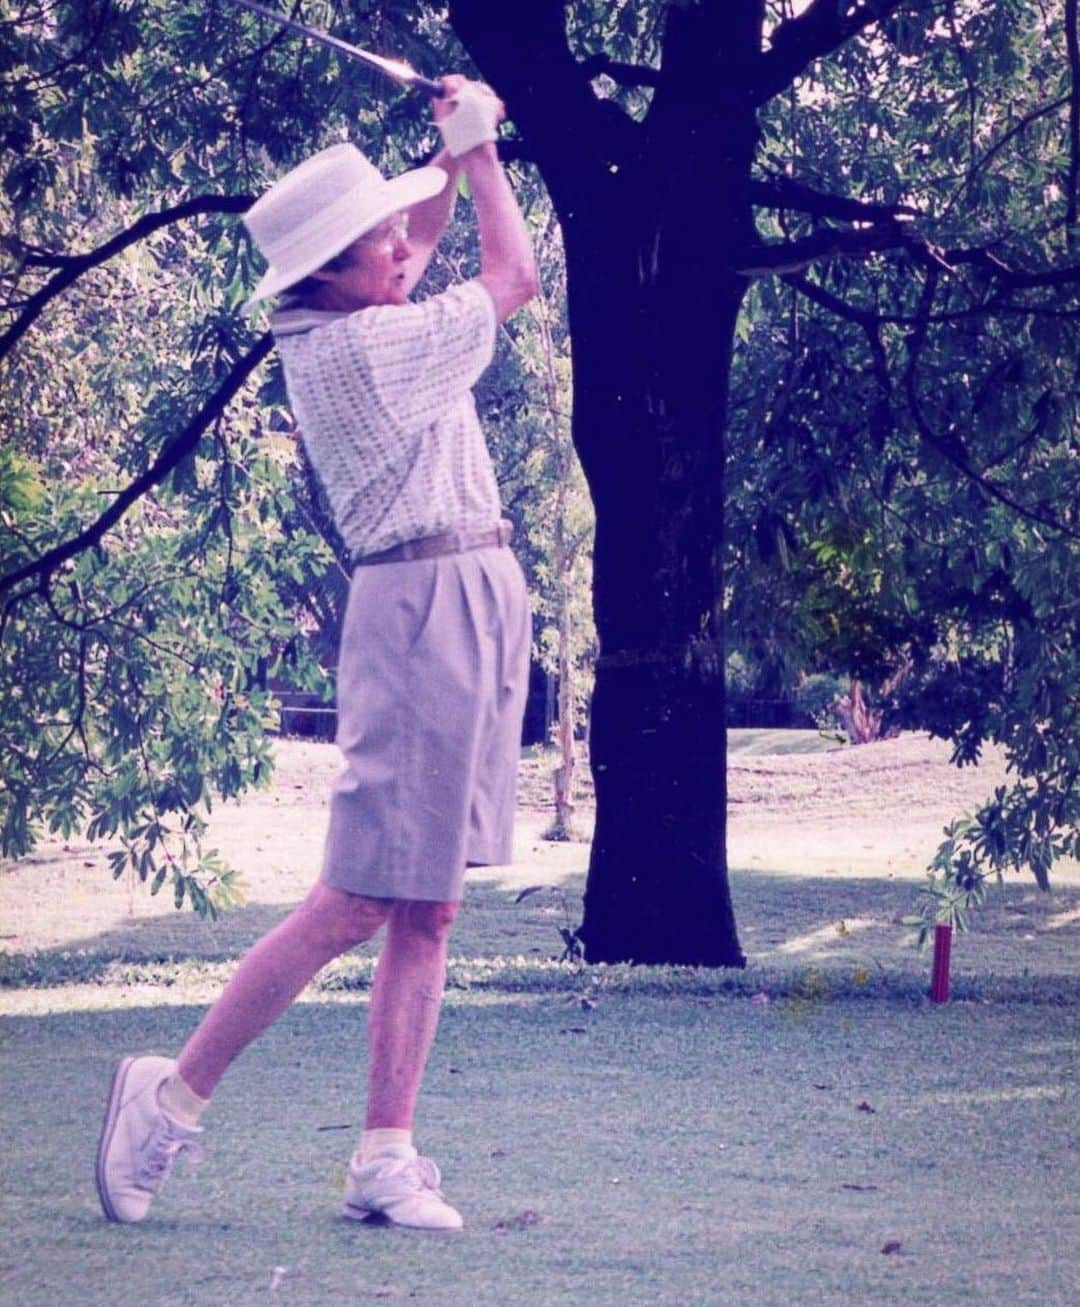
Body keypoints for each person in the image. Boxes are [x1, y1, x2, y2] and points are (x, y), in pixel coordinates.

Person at [95, 75, 537, 1233]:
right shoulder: (368, 349)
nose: (402, 248)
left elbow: (419, 242)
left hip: (472, 587)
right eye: (376, 242)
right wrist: (480, 151)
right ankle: (167, 1096)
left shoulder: (355, 308)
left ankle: (384, 1155)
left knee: (426, 908)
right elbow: (512, 277)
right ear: (327, 277)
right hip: (420, 610)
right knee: (354, 899)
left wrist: (440, 156)